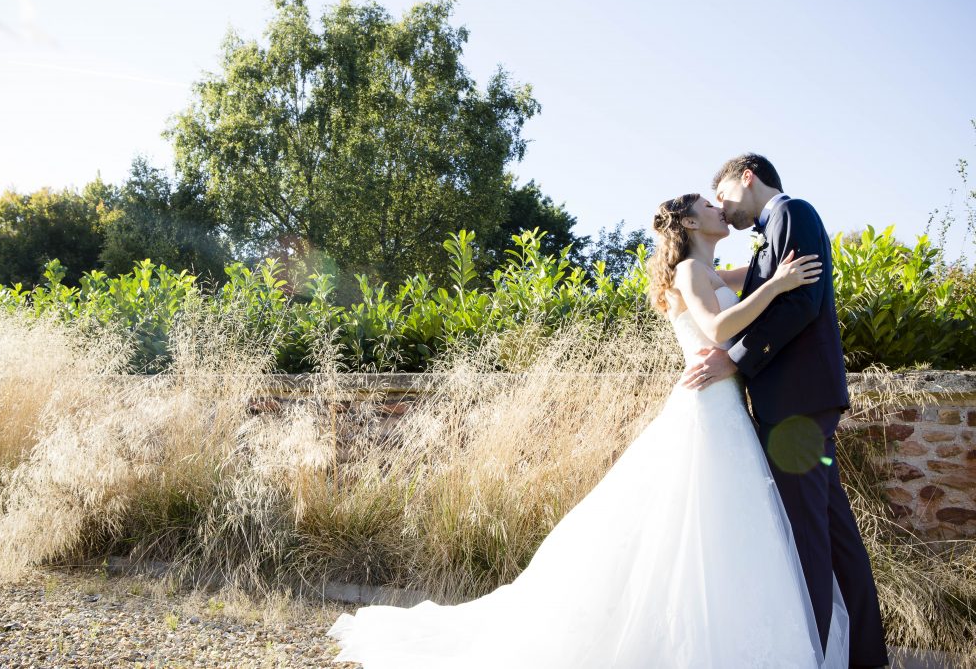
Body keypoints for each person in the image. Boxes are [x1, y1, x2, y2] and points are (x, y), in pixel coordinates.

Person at [325, 192, 849, 668]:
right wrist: (780, 285)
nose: (720, 210)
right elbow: (716, 328)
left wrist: (775, 272)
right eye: (711, 208)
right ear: (690, 222)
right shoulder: (690, 271)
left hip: (726, 403)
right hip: (710, 405)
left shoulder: (709, 270)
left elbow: (747, 280)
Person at [682, 153, 888, 669]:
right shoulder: (761, 236)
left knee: (809, 536)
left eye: (723, 195)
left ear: (746, 178)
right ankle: (864, 653)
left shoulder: (792, 212)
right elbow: (755, 296)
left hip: (796, 403)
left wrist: (736, 363)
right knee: (833, 528)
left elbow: (801, 305)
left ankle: (812, 654)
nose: (722, 210)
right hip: (800, 403)